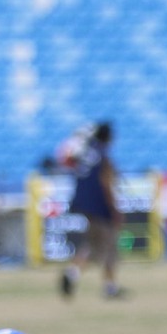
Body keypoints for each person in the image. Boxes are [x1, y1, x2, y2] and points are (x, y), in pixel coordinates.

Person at [61, 122, 124, 298]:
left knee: (92, 245)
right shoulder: (103, 156)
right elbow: (106, 183)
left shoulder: (86, 154)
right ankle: (110, 287)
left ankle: (72, 272)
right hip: (100, 207)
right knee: (109, 246)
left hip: (85, 206)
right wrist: (115, 209)